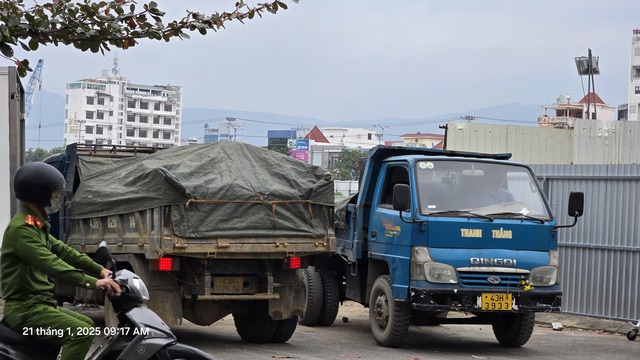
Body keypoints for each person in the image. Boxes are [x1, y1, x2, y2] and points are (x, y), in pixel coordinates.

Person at [1, 162, 121, 360]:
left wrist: (99, 269)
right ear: (39, 194)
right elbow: (52, 264)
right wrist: (94, 282)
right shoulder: (21, 229)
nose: (57, 198)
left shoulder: (36, 225)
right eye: (54, 193)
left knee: (88, 324)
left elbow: (65, 252)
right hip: (26, 309)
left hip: (40, 304)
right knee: (81, 333)